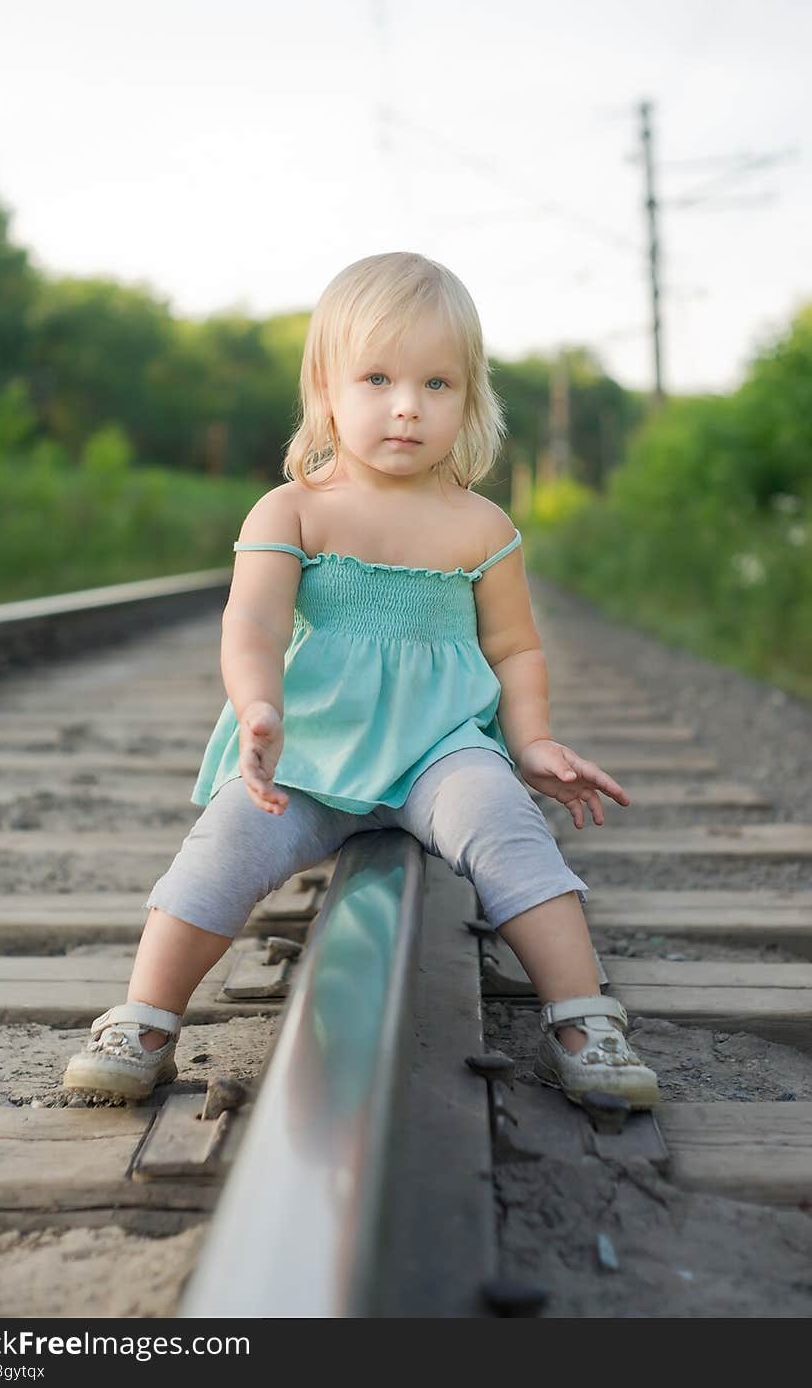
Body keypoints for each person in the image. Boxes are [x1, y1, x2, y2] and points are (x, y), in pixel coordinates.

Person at [63, 251, 659, 1111]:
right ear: (326, 389)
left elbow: (517, 649)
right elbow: (254, 624)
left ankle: (584, 1017)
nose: (408, 407)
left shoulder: (480, 525)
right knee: (224, 845)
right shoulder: (293, 510)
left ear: (471, 397)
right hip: (311, 751)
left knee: (509, 827)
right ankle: (145, 1018)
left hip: (440, 752)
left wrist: (528, 740)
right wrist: (259, 706)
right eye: (377, 378)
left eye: (438, 384)